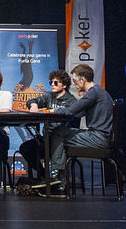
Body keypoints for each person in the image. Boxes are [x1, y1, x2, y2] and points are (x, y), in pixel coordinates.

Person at [47, 63, 115, 193]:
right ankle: (59, 179)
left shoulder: (93, 92)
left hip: (98, 138)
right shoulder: (98, 92)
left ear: (82, 80)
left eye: (74, 81)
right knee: (61, 134)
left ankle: (55, 175)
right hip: (100, 137)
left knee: (58, 133)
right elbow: (79, 112)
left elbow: (70, 111)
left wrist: (52, 111)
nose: (74, 84)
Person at [19, 69, 77, 180]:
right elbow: (31, 101)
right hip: (46, 139)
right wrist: (33, 105)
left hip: (62, 141)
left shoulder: (71, 101)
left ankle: (59, 182)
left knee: (56, 144)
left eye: (56, 83)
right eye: (51, 82)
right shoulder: (49, 96)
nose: (52, 85)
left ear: (64, 85)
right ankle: (45, 176)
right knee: (26, 148)